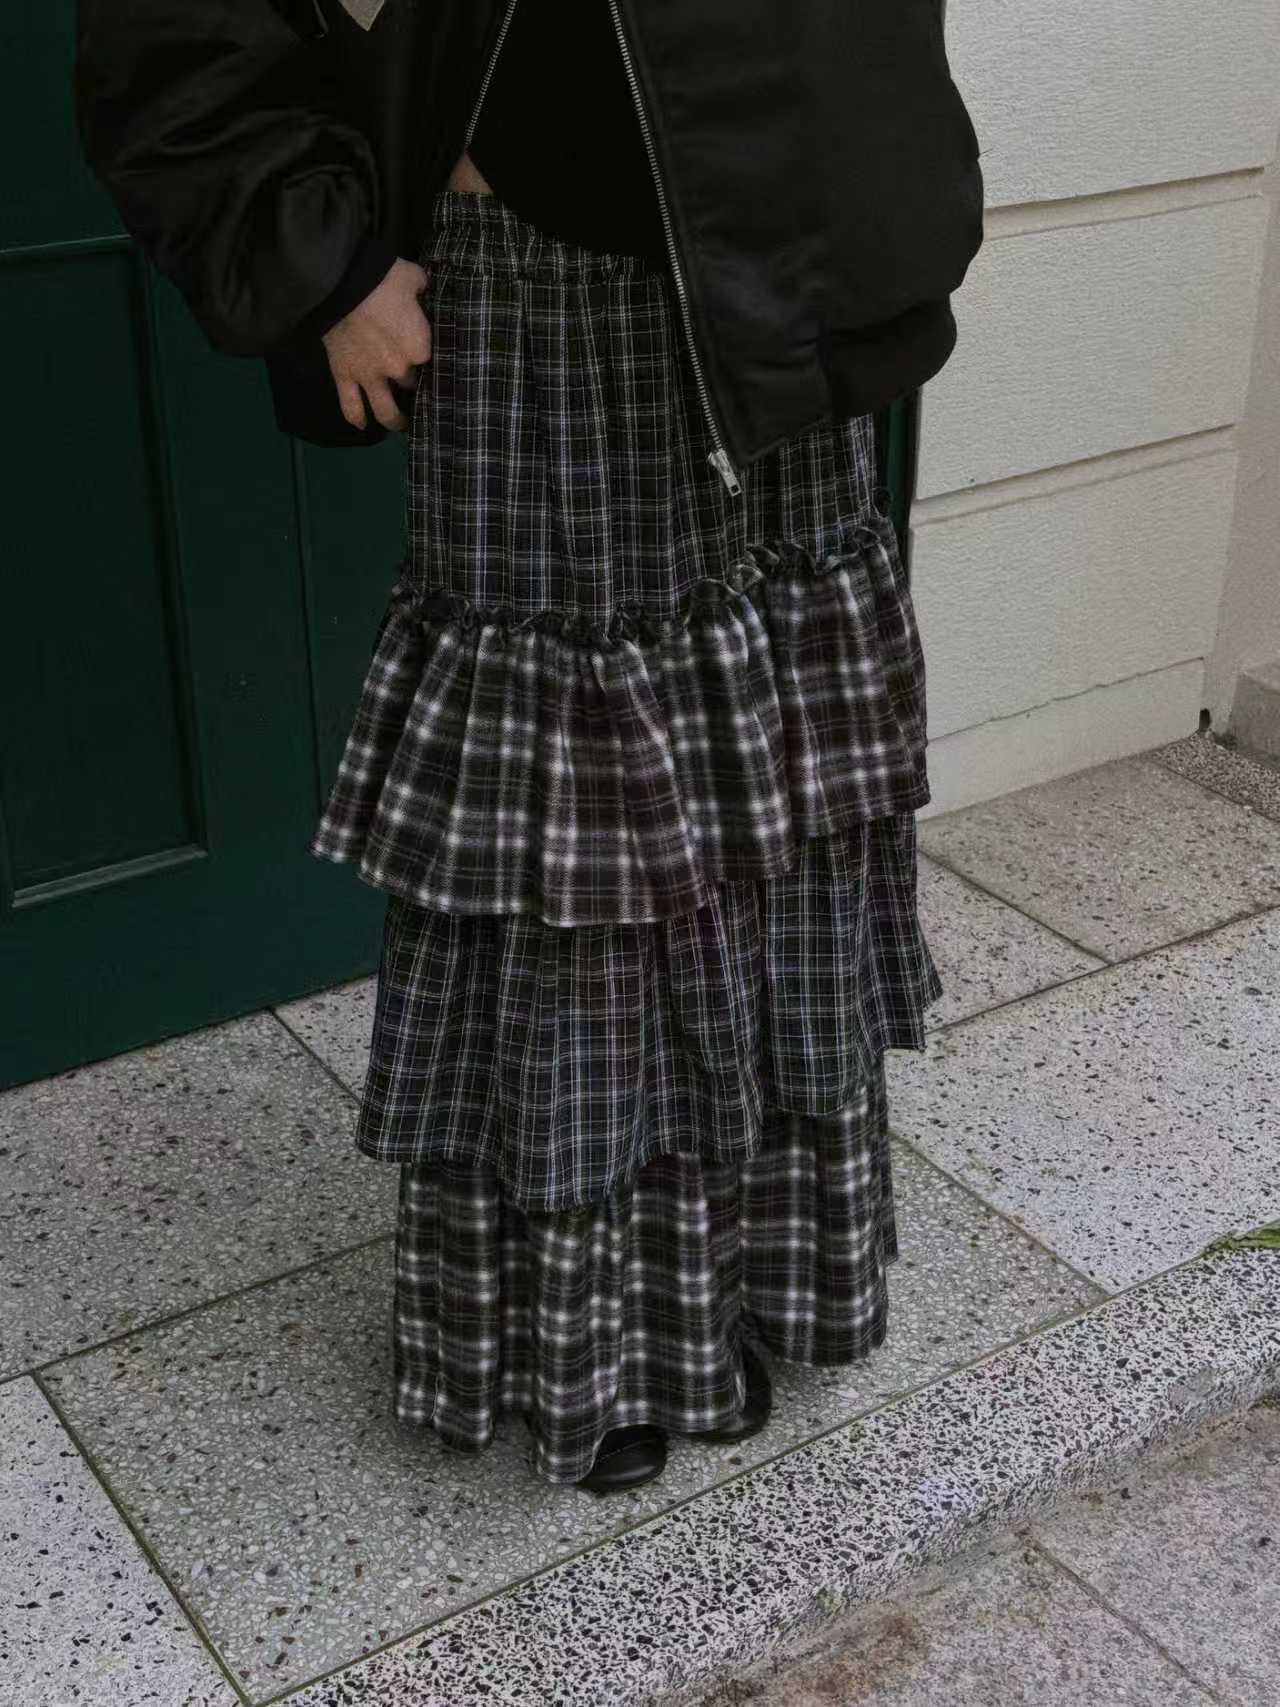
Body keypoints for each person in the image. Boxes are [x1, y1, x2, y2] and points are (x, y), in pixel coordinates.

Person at [74, 0, 982, 1495]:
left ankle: (767, 1269)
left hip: (791, 258)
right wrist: (320, 263)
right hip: (544, 277)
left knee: (774, 791)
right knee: (584, 838)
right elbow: (172, 28)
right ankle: (595, 1348)